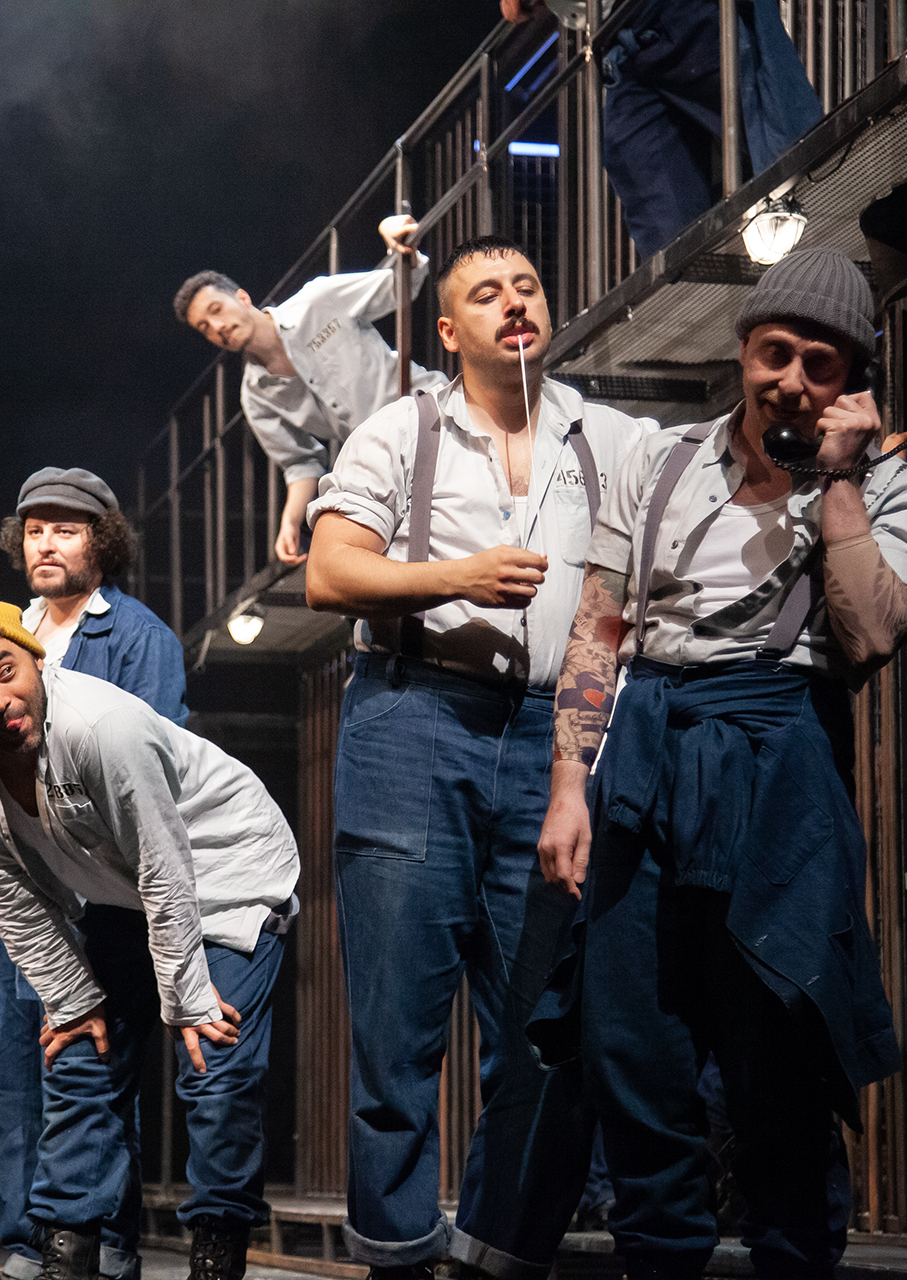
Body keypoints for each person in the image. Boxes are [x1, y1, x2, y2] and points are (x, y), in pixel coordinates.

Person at [534, 249, 907, 1278]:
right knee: (632, 1042)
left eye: (821, 364)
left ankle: (794, 1257)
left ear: (851, 379)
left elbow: (870, 636)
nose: (792, 381)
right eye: (776, 353)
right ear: (744, 348)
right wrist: (570, 787)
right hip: (649, 751)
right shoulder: (659, 459)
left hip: (781, 755)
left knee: (779, 1042)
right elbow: (598, 626)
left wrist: (839, 480)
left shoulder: (892, 488)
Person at [302, 235, 653, 1280]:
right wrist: (457, 575)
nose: (514, 303)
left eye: (527, 286)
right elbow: (329, 572)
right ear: (449, 332)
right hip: (414, 716)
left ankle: (499, 1252)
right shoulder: (401, 428)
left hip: (553, 733)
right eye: (488, 294)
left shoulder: (609, 435)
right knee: (397, 1026)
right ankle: (400, 1257)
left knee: (550, 1021)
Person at [0, 601, 297, 1280]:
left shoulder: (103, 726)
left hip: (225, 872)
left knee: (215, 1062)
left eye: (5, 672)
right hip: (124, 888)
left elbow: (165, 864)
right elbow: (2, 881)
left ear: (37, 659)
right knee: (78, 1052)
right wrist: (71, 998)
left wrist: (185, 996)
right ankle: (69, 1252)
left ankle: (216, 1250)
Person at [0, 467, 188, 1280]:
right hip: (13, 886)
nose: (47, 543)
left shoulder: (139, 636)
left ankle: (103, 1241)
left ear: (101, 542)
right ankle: (28, 1244)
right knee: (5, 1079)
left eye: (66, 529)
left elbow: (154, 760)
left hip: (94, 889)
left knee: (90, 1065)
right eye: (35, 529)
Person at [175, 214, 448, 565]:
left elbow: (399, 286)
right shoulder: (255, 396)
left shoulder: (316, 301)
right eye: (204, 327)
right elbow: (301, 463)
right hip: (384, 458)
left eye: (217, 310)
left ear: (242, 298)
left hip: (430, 413)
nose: (217, 326)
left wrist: (397, 243)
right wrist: (289, 522)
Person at [502, 1, 822, 256]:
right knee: (658, 209)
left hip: (680, 12)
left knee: (777, 149)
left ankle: (804, 241)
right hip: (620, 40)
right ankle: (688, 294)